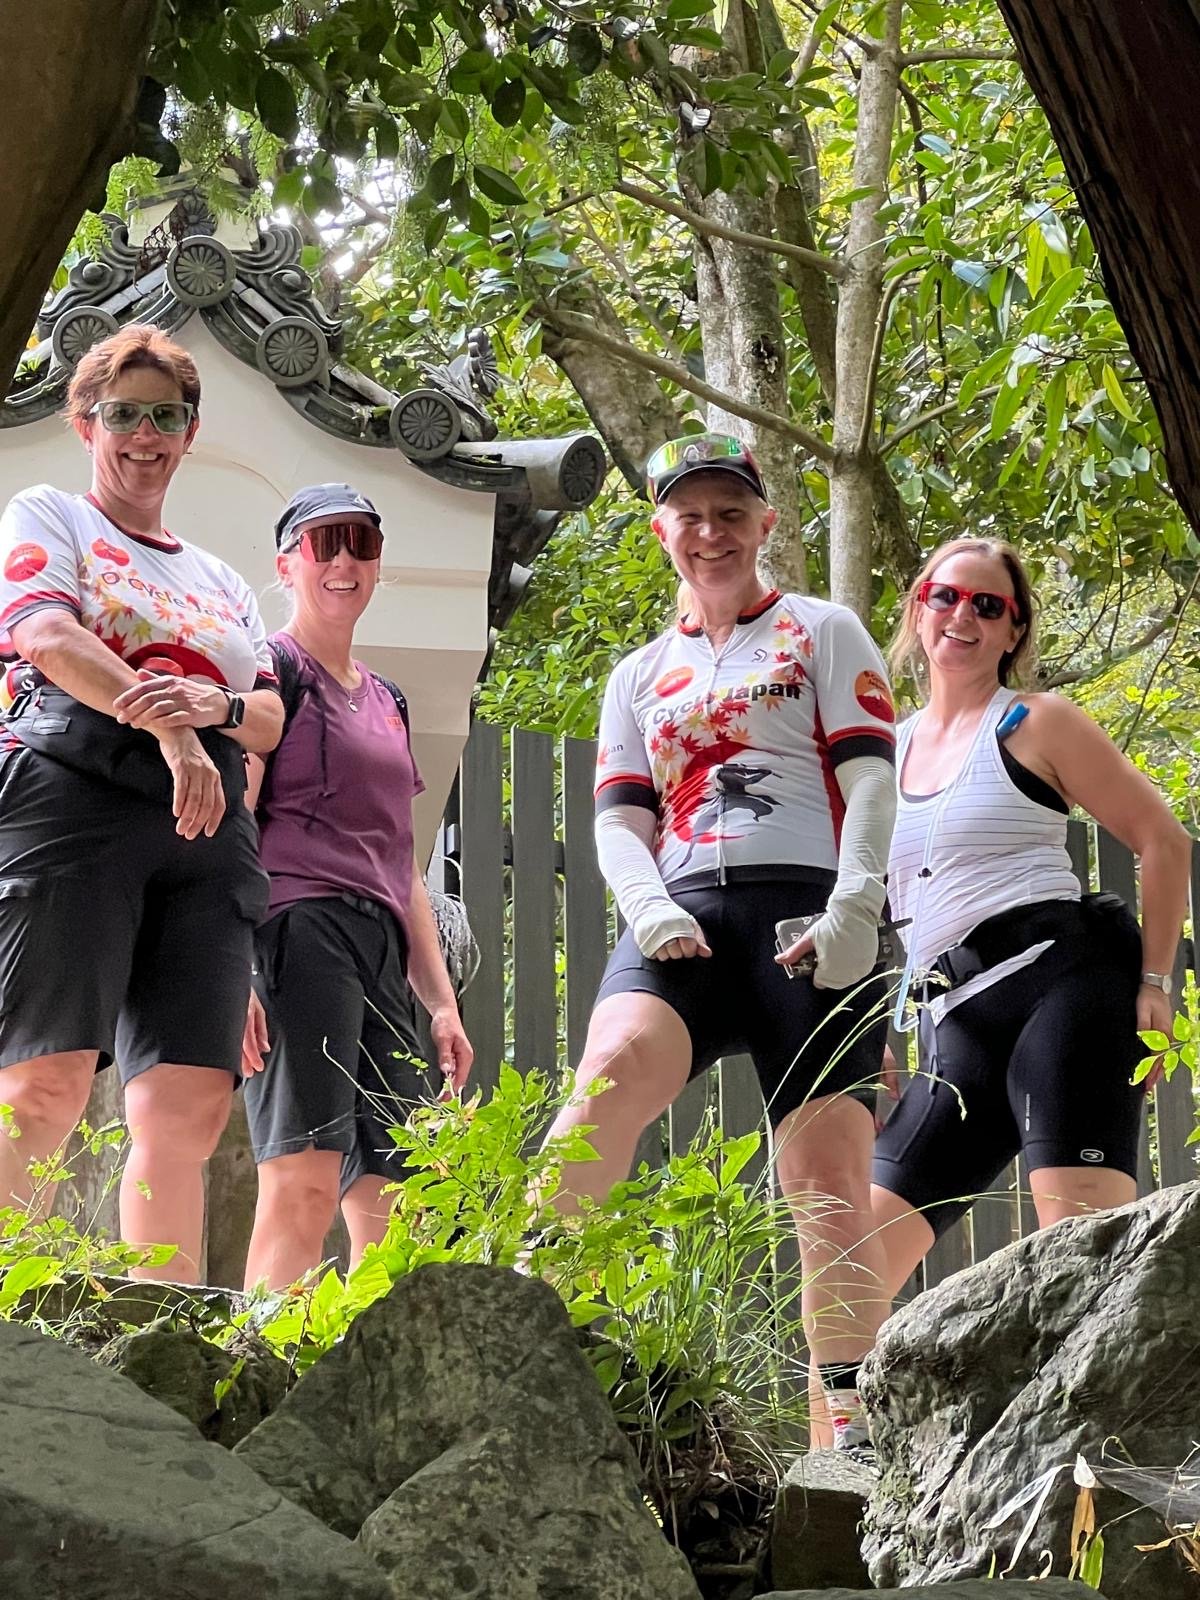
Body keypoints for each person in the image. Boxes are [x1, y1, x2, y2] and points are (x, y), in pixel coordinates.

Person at [539, 433, 899, 1455]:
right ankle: (536, 1332)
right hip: (683, 910)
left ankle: (852, 1440)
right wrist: (648, 902)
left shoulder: (824, 630)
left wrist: (856, 907)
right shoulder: (637, 674)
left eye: (730, 513)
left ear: (765, 524)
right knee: (602, 1083)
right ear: (661, 531)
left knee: (826, 1179)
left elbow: (871, 778)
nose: (711, 534)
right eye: (689, 516)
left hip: (806, 914)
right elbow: (618, 819)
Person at [0, 325, 283, 1279]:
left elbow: (272, 714)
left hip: (209, 832)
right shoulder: (53, 514)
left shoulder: (221, 579)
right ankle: (12, 1324)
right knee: (46, 1081)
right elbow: (45, 635)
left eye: (167, 415)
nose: (145, 434)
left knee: (191, 1103)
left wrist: (219, 707)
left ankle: (161, 1337)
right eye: (124, 414)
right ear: (87, 423)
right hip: (79, 796)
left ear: (190, 432)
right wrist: (169, 730)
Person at [871, 537, 1191, 1294]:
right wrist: (870, 1031)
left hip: (1065, 992)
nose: (963, 616)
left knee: (1083, 1256)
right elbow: (870, 907)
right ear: (919, 608)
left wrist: (1155, 980)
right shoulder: (883, 750)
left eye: (989, 605)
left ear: (1013, 633)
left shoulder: (1035, 722)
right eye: (946, 596)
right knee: (855, 1260)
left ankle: (1117, 1415)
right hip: (954, 1023)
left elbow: (1163, 840)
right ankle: (841, 1420)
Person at [240, 484, 473, 1291]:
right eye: (323, 543)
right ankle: (257, 1376)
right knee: (303, 1171)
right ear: (287, 564)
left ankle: (366, 1385)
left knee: (393, 1193)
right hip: (296, 930)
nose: (344, 561)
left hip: (379, 947)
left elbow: (400, 861)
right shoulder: (271, 672)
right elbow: (236, 818)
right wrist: (235, 965)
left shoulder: (388, 701)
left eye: (362, 544)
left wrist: (440, 1001)